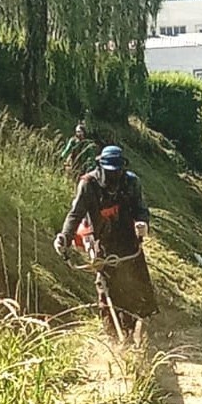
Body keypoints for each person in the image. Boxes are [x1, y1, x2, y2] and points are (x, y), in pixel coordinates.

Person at [53, 145, 158, 339]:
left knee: (139, 288)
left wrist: (143, 222)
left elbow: (140, 208)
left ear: (122, 168)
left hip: (129, 244)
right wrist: (64, 237)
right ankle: (114, 338)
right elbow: (75, 214)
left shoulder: (132, 182)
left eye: (117, 172)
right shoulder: (88, 185)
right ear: (100, 167)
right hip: (103, 244)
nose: (113, 178)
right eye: (109, 173)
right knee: (107, 292)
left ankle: (142, 330)